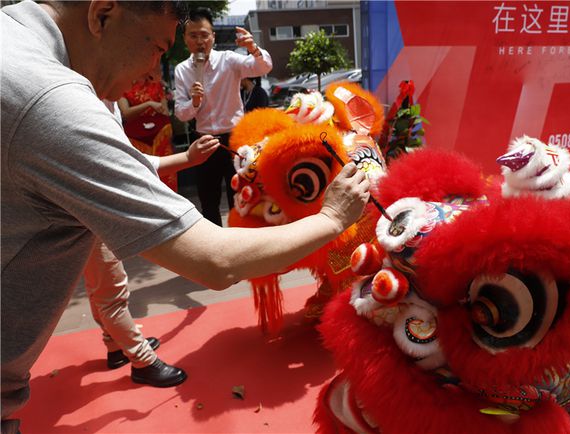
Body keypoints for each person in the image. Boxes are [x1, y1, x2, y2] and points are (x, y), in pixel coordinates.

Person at [0, 2, 370, 433]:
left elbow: (120, 166)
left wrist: (181, 157)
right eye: (157, 48)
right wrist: (332, 219)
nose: (151, 70)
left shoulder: (15, 42)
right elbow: (213, 260)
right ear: (102, 15)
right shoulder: (50, 99)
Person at [86, 100, 219, 387]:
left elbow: (130, 159)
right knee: (111, 292)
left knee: (100, 287)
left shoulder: (103, 99)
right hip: (85, 214)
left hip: (85, 212)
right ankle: (143, 362)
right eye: (155, 51)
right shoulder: (84, 101)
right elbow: (127, 164)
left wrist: (188, 158)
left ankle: (116, 347)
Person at [174, 7, 272, 226]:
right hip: (204, 140)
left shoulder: (229, 60)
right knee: (208, 202)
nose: (200, 41)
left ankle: (242, 246)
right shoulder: (182, 70)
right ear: (185, 39)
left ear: (213, 37)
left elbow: (263, 66)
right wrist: (195, 102)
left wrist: (252, 47)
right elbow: (181, 113)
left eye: (204, 34)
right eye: (193, 35)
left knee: (239, 196)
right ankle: (217, 252)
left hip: (235, 139)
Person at [118, 68, 177, 190]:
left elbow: (165, 111)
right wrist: (148, 104)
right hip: (137, 139)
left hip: (158, 136)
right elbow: (126, 113)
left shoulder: (156, 85)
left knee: (166, 176)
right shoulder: (124, 87)